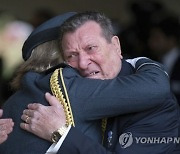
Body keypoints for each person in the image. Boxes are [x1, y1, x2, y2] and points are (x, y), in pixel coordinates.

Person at [0, 11, 178, 154]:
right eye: (71, 56)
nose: (83, 63)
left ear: (116, 45)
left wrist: (62, 134)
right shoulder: (66, 87)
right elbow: (156, 85)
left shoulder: (158, 107)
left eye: (91, 48)